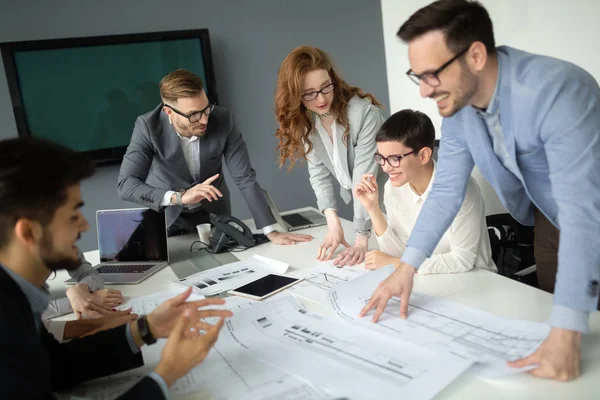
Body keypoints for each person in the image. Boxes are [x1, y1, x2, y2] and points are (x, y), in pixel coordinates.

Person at [361, 0, 600, 381]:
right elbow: (445, 192)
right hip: (547, 221)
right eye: (416, 76)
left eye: (432, 74)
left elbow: (584, 212)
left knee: (572, 337)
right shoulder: (459, 109)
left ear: (474, 55)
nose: (423, 91)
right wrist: (406, 268)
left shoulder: (558, 90)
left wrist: (567, 332)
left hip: (587, 216)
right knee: (566, 345)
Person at [0, 137, 233, 399]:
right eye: (73, 215)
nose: (85, 226)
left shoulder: (17, 295)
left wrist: (146, 328)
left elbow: (53, 365)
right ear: (28, 232)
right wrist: (166, 374)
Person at [118, 69, 312, 246]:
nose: (204, 120)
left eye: (206, 109)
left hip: (214, 215)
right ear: (169, 112)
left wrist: (270, 229)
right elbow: (126, 184)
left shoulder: (223, 119)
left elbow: (244, 177)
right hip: (167, 218)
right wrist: (180, 197)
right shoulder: (147, 127)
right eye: (194, 115)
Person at [274, 46, 387, 267]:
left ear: (332, 78)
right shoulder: (307, 119)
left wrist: (361, 240)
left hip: (393, 200)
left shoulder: (363, 114)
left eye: (326, 87)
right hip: (371, 209)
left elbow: (364, 177)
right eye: (309, 93)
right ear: (295, 94)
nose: (321, 98)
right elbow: (318, 173)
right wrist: (333, 225)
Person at [354, 109, 495, 273]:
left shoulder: (459, 188)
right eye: (381, 158)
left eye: (394, 159)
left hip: (475, 279)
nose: (385, 167)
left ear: (423, 155)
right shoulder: (393, 187)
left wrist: (397, 263)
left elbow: (463, 259)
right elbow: (399, 253)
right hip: (428, 277)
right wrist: (373, 209)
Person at [43, 247, 127, 341]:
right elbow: (27, 312)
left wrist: (81, 288)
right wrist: (87, 299)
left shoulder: (62, 241)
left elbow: (89, 273)